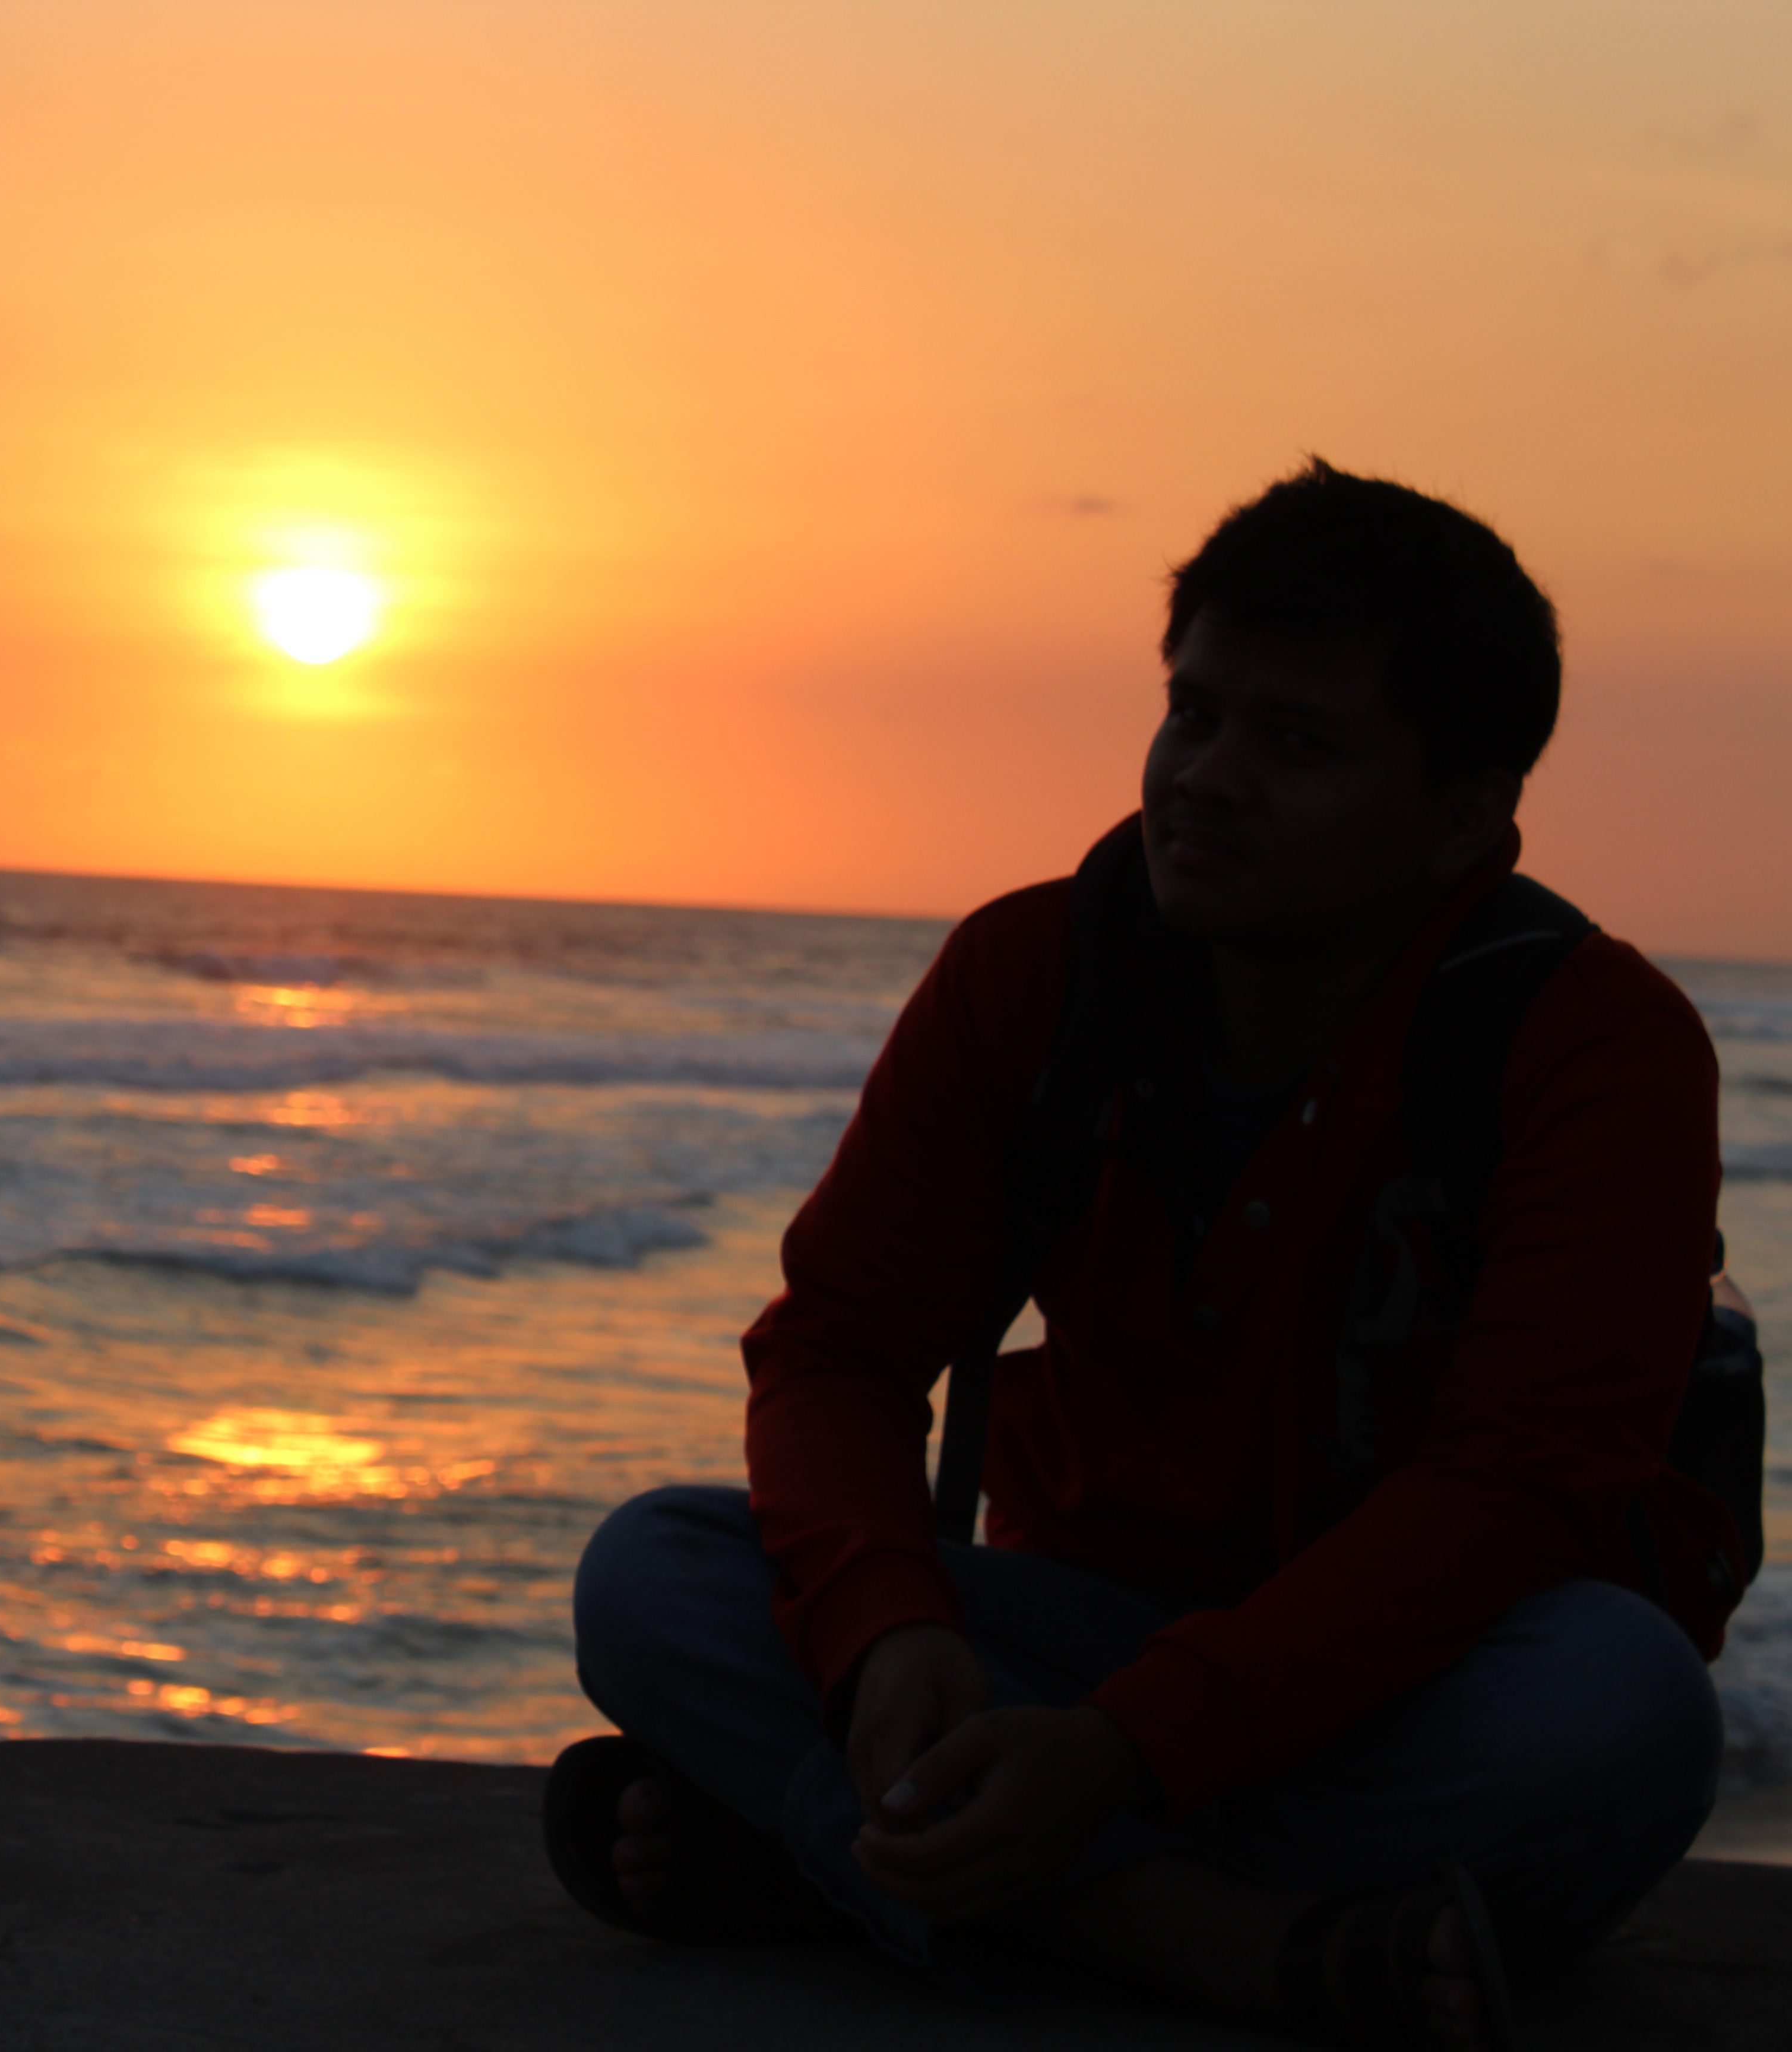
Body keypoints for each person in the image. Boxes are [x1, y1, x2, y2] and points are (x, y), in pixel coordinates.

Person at [550, 461, 1742, 2048]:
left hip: (1415, 1678)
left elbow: (1520, 1494)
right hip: (1079, 1629)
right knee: (651, 1570)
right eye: (1194, 714)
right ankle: (1205, 1943)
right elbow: (837, 1350)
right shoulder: (1030, 974)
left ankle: (846, 1859)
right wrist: (887, 1631)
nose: (1205, 778)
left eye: (1295, 743)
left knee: (1622, 1707)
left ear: (1465, 820)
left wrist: (1124, 1750)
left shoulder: (1596, 1049)